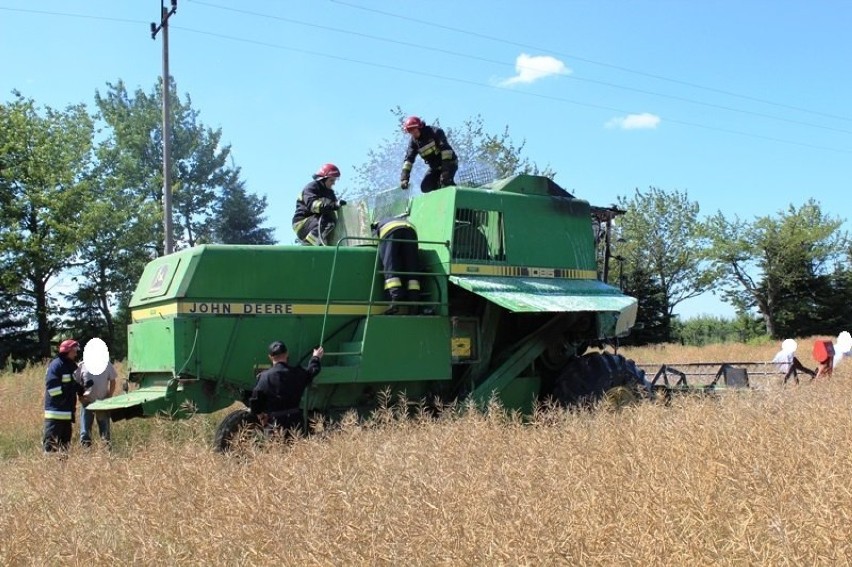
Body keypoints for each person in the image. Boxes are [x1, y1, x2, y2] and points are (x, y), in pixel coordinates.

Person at [250, 341, 324, 432]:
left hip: (274, 425)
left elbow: (255, 400)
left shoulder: (264, 377)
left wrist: (260, 415)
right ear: (287, 354)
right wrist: (316, 357)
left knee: (276, 446)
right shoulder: (297, 373)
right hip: (296, 424)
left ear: (270, 357)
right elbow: (312, 371)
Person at [370, 215, 424, 315]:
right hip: (411, 229)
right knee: (412, 264)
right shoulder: (396, 219)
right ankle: (414, 300)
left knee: (390, 263)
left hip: (391, 230)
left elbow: (390, 259)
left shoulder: (379, 226)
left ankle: (395, 300)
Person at [43, 339, 83, 453]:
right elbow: (53, 388)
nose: (76, 353)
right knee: (51, 447)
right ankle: (48, 469)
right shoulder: (56, 365)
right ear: (68, 351)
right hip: (55, 414)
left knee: (65, 447)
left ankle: (62, 470)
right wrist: (67, 395)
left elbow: (74, 384)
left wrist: (81, 389)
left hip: (66, 414)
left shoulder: (71, 365)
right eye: (74, 350)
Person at [399, 116, 458, 193]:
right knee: (425, 187)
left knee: (445, 181)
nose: (413, 133)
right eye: (410, 131)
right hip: (435, 167)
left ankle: (457, 196)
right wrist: (404, 178)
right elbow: (408, 160)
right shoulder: (413, 143)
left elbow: (446, 150)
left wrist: (445, 171)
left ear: (419, 127)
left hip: (449, 163)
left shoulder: (435, 132)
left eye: (414, 130)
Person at [292, 163, 345, 245]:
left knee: (333, 222)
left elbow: (335, 208)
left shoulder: (330, 193)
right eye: (331, 180)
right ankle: (308, 244)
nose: (333, 183)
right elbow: (314, 206)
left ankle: (319, 244)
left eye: (334, 180)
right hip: (301, 224)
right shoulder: (311, 188)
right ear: (323, 179)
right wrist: (334, 205)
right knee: (328, 221)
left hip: (316, 222)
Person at [75, 359, 118, 448]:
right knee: (85, 432)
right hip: (87, 403)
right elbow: (77, 383)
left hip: (102, 404)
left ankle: (106, 454)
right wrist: (80, 397)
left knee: (105, 432)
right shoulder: (82, 365)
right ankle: (85, 454)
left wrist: (109, 396)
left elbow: (113, 381)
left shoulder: (106, 364)